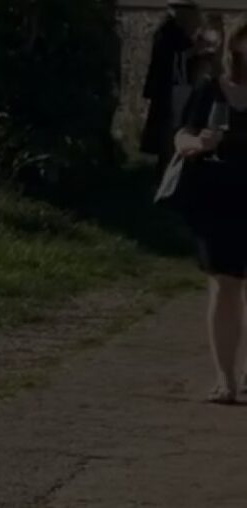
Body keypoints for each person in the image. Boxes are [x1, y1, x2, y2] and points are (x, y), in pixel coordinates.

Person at [172, 23, 247, 404]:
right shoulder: (209, 89)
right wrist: (196, 143)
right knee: (225, 286)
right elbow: (180, 136)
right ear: (236, 44)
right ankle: (226, 380)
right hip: (216, 198)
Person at [141, 0, 203, 175]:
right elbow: (171, 61)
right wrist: (193, 52)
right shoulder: (169, 32)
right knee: (168, 134)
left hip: (175, 91)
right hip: (169, 92)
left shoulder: (174, 31)